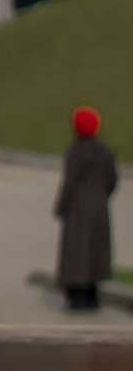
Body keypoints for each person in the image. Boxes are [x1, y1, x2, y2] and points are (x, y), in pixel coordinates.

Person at [56, 103, 116, 311]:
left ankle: (76, 297)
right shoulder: (105, 152)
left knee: (77, 253)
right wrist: (101, 196)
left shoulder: (75, 151)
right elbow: (112, 180)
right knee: (95, 252)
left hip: (78, 207)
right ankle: (92, 295)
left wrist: (61, 205)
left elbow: (69, 181)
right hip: (99, 207)